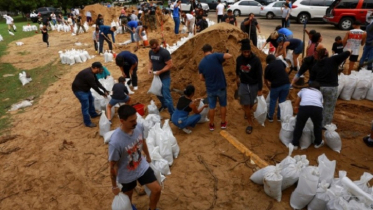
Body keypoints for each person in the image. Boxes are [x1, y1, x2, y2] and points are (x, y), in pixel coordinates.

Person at [109, 105, 161, 210]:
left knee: (157, 189)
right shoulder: (115, 142)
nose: (135, 122)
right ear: (122, 121)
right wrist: (114, 186)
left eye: (136, 119)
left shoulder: (139, 127)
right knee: (128, 197)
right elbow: (112, 166)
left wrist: (148, 156)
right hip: (126, 174)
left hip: (141, 165)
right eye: (132, 121)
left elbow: (143, 141)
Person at [311, 49, 351, 127]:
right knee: (329, 107)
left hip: (319, 88)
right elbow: (346, 54)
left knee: (317, 105)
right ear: (327, 54)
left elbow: (312, 79)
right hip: (331, 88)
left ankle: (315, 122)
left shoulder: (316, 65)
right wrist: (349, 50)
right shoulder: (333, 60)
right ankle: (325, 125)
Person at [199, 44, 233, 131]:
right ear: (211, 50)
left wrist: (208, 79)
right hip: (221, 86)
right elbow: (228, 56)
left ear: (203, 52)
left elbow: (201, 78)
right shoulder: (216, 56)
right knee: (223, 105)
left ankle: (211, 124)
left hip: (210, 88)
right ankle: (223, 123)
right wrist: (225, 56)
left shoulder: (201, 63)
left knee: (212, 107)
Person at [235, 39, 262, 134]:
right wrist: (237, 79)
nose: (246, 54)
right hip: (243, 84)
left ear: (250, 51)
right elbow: (237, 70)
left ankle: (247, 112)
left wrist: (260, 88)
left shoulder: (256, 60)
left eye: (248, 51)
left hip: (254, 84)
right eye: (244, 52)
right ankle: (250, 124)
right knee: (245, 103)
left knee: (252, 102)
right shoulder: (239, 59)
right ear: (242, 51)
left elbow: (259, 75)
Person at [72, 62, 109, 127]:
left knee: (91, 100)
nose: (100, 71)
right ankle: (87, 123)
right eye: (99, 69)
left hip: (85, 89)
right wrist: (102, 94)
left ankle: (93, 114)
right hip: (79, 90)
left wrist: (104, 90)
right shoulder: (89, 74)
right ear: (95, 68)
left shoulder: (92, 72)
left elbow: (97, 82)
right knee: (85, 106)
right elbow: (94, 86)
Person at [291, 82, 324, 149]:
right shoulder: (319, 93)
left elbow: (297, 101)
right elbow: (321, 103)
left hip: (304, 107)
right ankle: (318, 143)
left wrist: (296, 108)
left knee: (299, 125)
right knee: (317, 126)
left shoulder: (303, 90)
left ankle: (295, 144)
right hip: (317, 108)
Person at [148, 39, 175, 117]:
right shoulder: (151, 52)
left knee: (166, 95)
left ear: (158, 45)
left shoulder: (164, 53)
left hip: (165, 77)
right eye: (152, 48)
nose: (153, 50)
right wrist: (149, 69)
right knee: (157, 92)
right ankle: (164, 105)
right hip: (156, 77)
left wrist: (160, 71)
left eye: (155, 48)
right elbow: (150, 61)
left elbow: (170, 65)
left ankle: (172, 113)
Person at [264, 54, 290, 122]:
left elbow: (265, 79)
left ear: (268, 62)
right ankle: (279, 117)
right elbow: (286, 71)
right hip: (286, 84)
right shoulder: (280, 62)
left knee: (273, 100)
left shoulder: (268, 67)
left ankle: (270, 117)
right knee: (282, 101)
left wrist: (269, 87)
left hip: (276, 85)